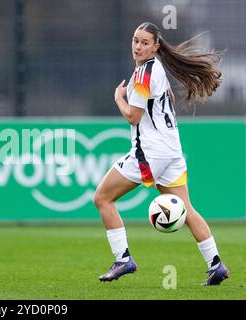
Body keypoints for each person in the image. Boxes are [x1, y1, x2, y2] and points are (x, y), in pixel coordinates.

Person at [94, 22, 229, 286]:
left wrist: (119, 98)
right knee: (186, 209)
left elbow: (133, 116)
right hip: (172, 151)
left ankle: (123, 259)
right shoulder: (157, 69)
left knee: (102, 198)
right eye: (135, 40)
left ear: (155, 47)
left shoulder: (145, 73)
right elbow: (170, 100)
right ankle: (216, 265)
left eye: (145, 42)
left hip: (151, 153)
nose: (138, 46)